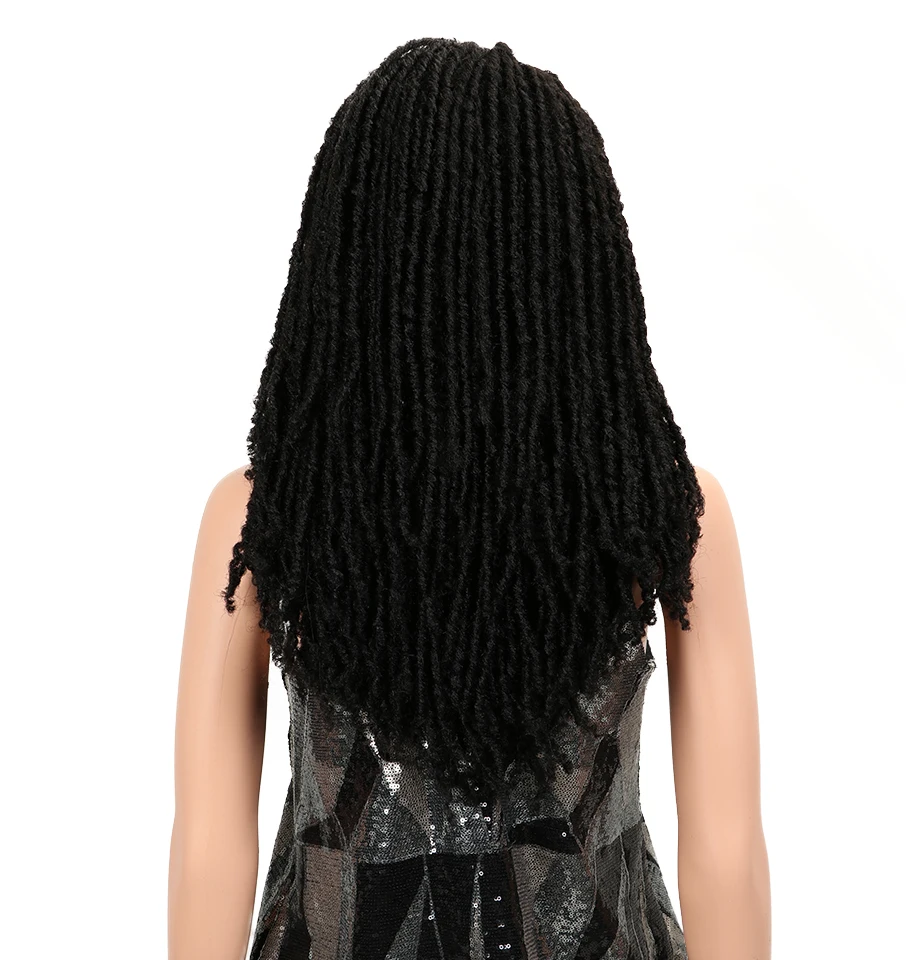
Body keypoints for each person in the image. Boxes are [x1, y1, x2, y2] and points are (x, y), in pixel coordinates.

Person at [168, 37, 770, 960]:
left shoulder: (263, 517)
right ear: (577, 264)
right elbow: (728, 860)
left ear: (350, 258)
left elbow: (207, 854)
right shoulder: (666, 514)